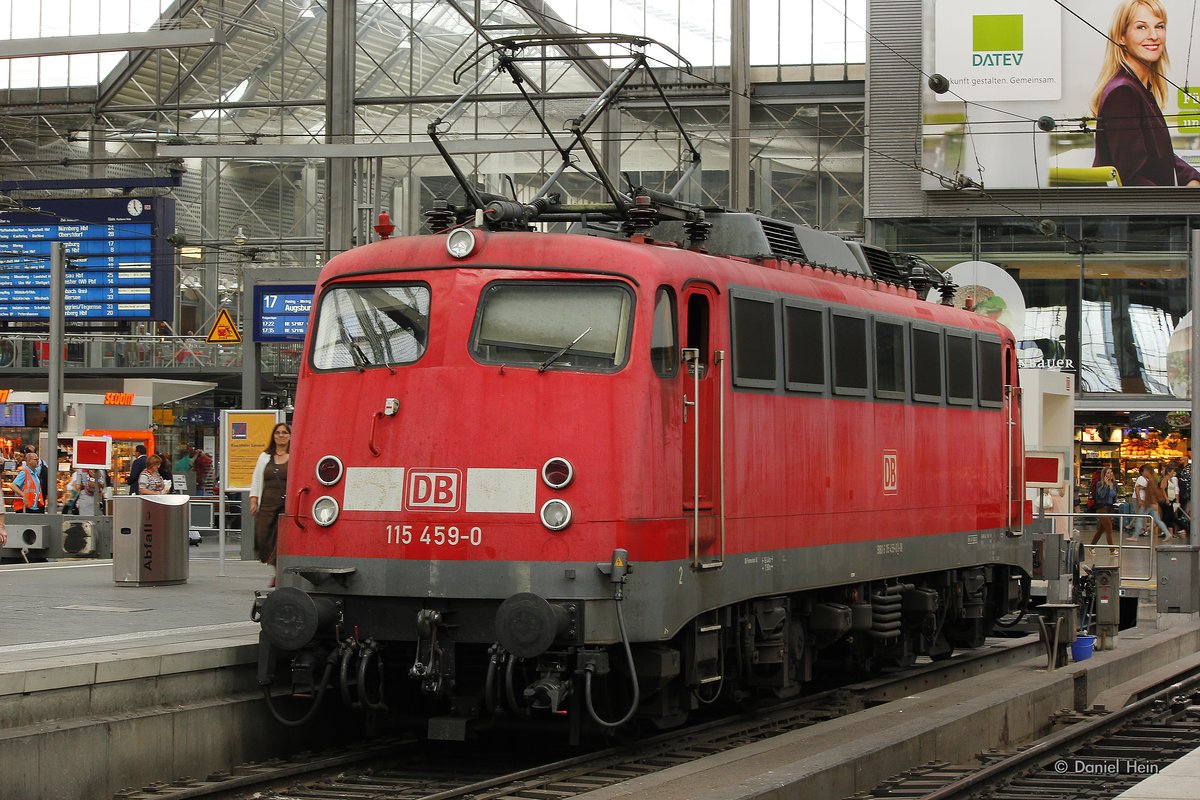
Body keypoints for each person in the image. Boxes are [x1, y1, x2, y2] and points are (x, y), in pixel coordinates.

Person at [1091, 0, 1200, 187]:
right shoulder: (1123, 93)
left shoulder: (1139, 87)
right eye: (1141, 27)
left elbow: (1160, 154)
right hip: (1141, 214)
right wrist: (1175, 207)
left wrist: (1191, 178)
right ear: (1121, 37)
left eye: (1159, 26)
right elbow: (1132, 178)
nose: (1153, 35)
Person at [249, 423, 291, 574]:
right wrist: (253, 500)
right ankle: (275, 567)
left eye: (285, 432)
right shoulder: (264, 456)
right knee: (264, 537)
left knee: (280, 539)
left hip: (286, 504)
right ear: (273, 436)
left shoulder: (295, 456)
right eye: (278, 433)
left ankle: (279, 571)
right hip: (267, 504)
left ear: (290, 436)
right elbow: (257, 479)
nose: (281, 435)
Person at [1132, 463, 1172, 540]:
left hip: (1148, 504)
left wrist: (1142, 501)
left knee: (1140, 518)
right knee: (1157, 520)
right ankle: (1167, 533)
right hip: (1152, 503)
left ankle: (1135, 536)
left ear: (1147, 471)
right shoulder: (1153, 479)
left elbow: (1150, 493)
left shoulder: (1150, 481)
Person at [1089, 466, 1119, 553]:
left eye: (1111, 472)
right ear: (1104, 475)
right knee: (1109, 527)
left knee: (1101, 529)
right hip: (1101, 508)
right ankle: (1112, 550)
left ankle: (1091, 547)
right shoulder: (1100, 484)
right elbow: (1101, 495)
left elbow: (1114, 496)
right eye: (1108, 473)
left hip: (1110, 508)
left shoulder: (1114, 484)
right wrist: (1106, 485)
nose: (1110, 474)